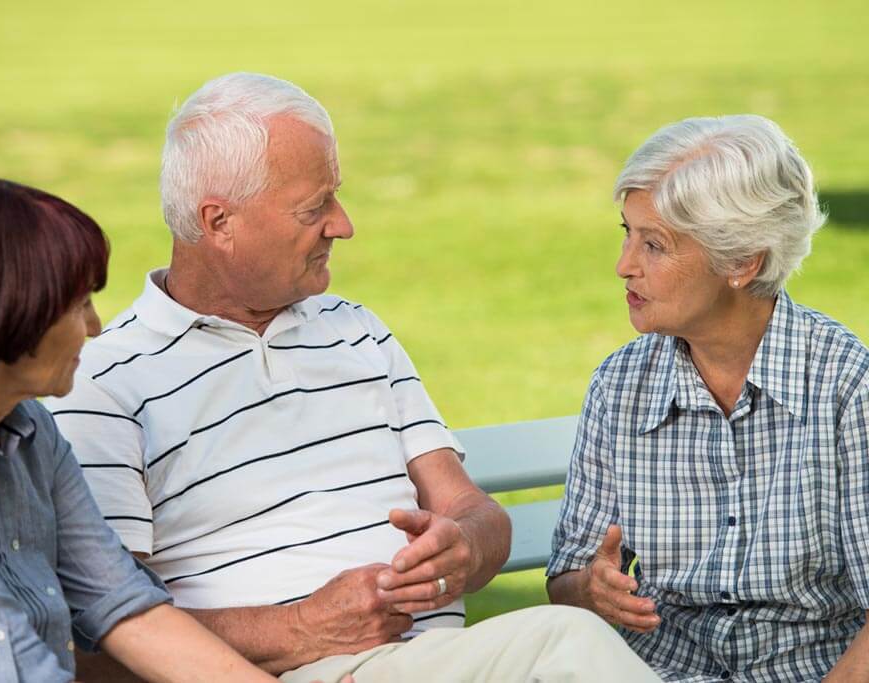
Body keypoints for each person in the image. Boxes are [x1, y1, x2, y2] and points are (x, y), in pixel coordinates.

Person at [47, 72, 658, 682]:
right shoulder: (103, 380)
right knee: (568, 645)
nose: (343, 225)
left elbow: (476, 512)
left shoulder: (355, 331)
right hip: (286, 673)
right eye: (314, 207)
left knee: (566, 645)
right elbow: (100, 639)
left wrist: (464, 547)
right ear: (218, 222)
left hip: (430, 662)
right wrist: (301, 627)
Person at [0, 176, 277, 682]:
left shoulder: (30, 429)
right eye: (79, 305)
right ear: (10, 313)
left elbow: (123, 606)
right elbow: (11, 674)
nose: (95, 326)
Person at [547, 115, 869, 681]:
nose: (624, 265)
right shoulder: (619, 387)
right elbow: (570, 577)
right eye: (626, 232)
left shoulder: (846, 386)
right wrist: (591, 589)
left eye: (655, 244)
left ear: (743, 261)